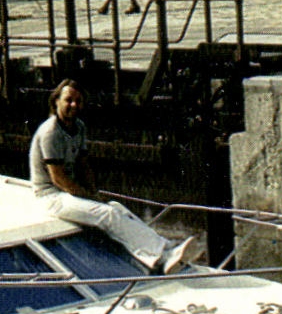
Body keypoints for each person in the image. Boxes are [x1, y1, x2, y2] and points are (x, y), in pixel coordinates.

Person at [29, 80, 194, 275]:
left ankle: (164, 251)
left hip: (68, 193)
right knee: (107, 214)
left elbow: (83, 165)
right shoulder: (51, 132)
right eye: (68, 100)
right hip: (51, 197)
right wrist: (88, 198)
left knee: (117, 208)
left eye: (78, 101)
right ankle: (161, 255)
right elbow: (58, 179)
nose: (74, 105)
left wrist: (93, 192)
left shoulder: (79, 126)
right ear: (56, 101)